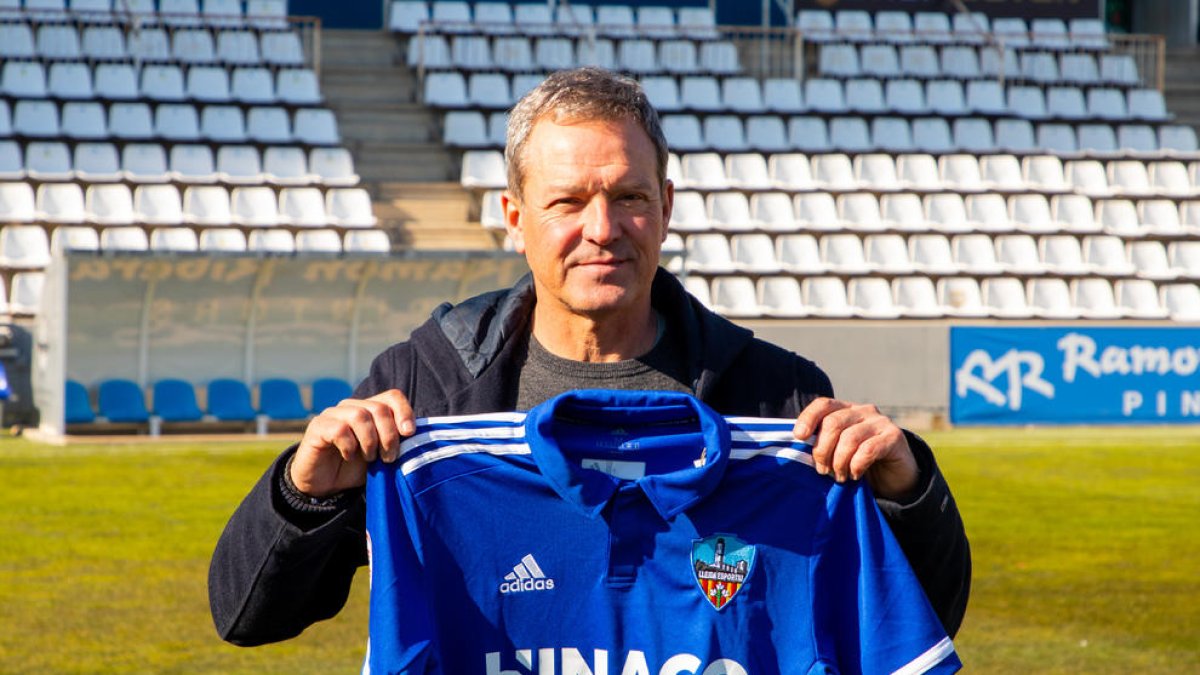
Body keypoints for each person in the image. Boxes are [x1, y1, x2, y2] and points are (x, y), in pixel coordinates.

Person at [209, 67, 970, 647]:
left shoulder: (775, 396)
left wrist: (906, 490)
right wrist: (304, 496)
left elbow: (916, 619)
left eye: (629, 197)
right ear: (516, 217)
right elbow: (246, 615)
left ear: (666, 207)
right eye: (568, 202)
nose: (603, 228)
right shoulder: (429, 388)